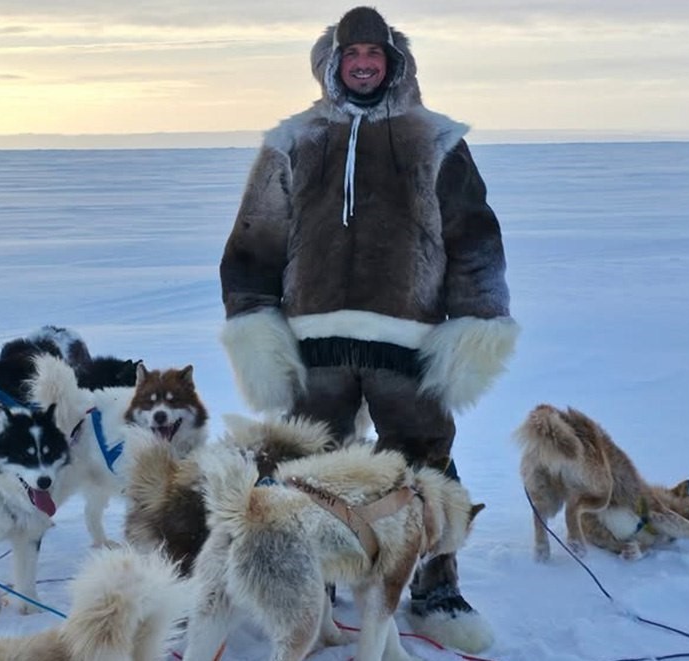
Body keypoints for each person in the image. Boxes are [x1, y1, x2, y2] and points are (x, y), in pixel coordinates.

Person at [218, 6, 518, 654]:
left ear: (392, 62)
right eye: (352, 56)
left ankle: (436, 584)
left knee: (424, 462)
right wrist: (252, 317)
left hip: (406, 338)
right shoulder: (293, 140)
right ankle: (308, 586)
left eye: (374, 56)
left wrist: (474, 324)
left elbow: (475, 239)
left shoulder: (434, 140)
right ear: (333, 63)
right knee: (304, 464)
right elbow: (253, 241)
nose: (362, 64)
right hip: (314, 338)